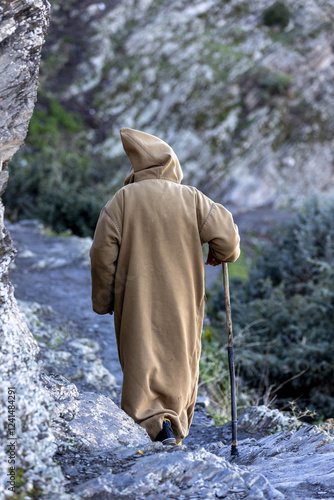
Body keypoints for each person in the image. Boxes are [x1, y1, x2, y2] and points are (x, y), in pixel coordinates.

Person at [90, 128, 240, 445]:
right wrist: (219, 253)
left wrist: (105, 301)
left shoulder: (122, 201)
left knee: (141, 358)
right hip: (183, 302)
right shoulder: (193, 199)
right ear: (173, 165)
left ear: (136, 169)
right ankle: (174, 423)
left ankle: (151, 426)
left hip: (136, 302)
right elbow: (228, 238)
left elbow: (102, 255)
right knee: (181, 359)